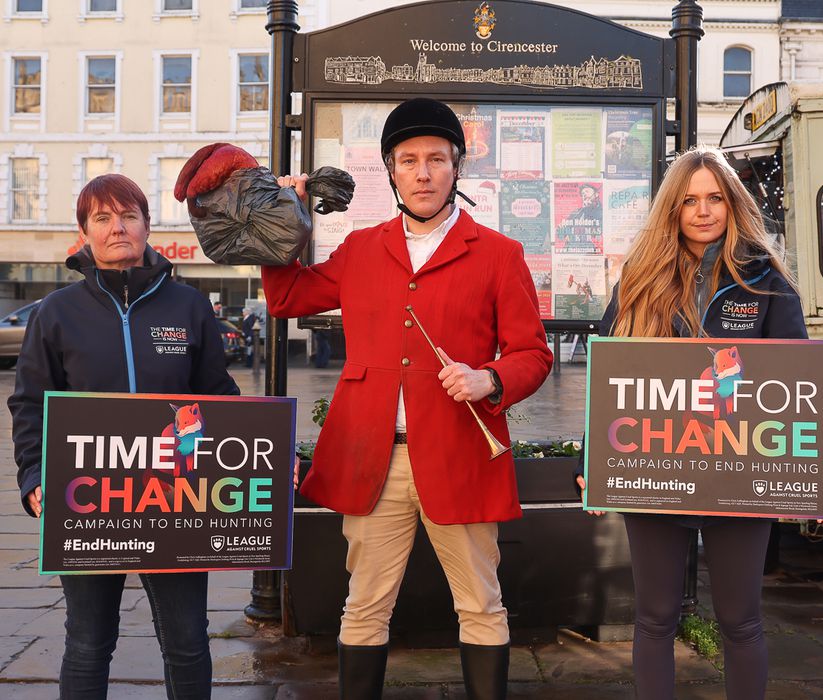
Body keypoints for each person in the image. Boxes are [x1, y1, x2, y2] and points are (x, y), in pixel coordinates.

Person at [262, 97, 553, 699]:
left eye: (437, 160)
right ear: (391, 171)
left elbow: (533, 354)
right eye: (409, 160)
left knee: (480, 604)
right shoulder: (363, 249)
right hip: (375, 458)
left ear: (456, 168)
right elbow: (288, 299)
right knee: (364, 605)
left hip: (460, 455)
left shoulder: (500, 254)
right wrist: (282, 217)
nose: (423, 172)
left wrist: (489, 380)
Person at [575, 146, 823, 700]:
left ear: (733, 203)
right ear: (671, 212)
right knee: (654, 619)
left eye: (715, 198)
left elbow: (798, 380)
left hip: (738, 470)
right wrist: (593, 457)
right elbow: (613, 371)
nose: (703, 211)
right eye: (688, 201)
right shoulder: (640, 276)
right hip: (660, 468)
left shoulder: (765, 279)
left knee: (741, 620)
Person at [8, 173, 240, 699]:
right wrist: (34, 474)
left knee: (186, 642)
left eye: (129, 216)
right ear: (84, 232)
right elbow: (29, 402)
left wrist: (261, 453)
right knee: (89, 644)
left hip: (178, 500)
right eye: (103, 218)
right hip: (89, 501)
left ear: (147, 225)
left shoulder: (188, 306)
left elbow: (217, 394)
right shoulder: (55, 313)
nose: (118, 228)